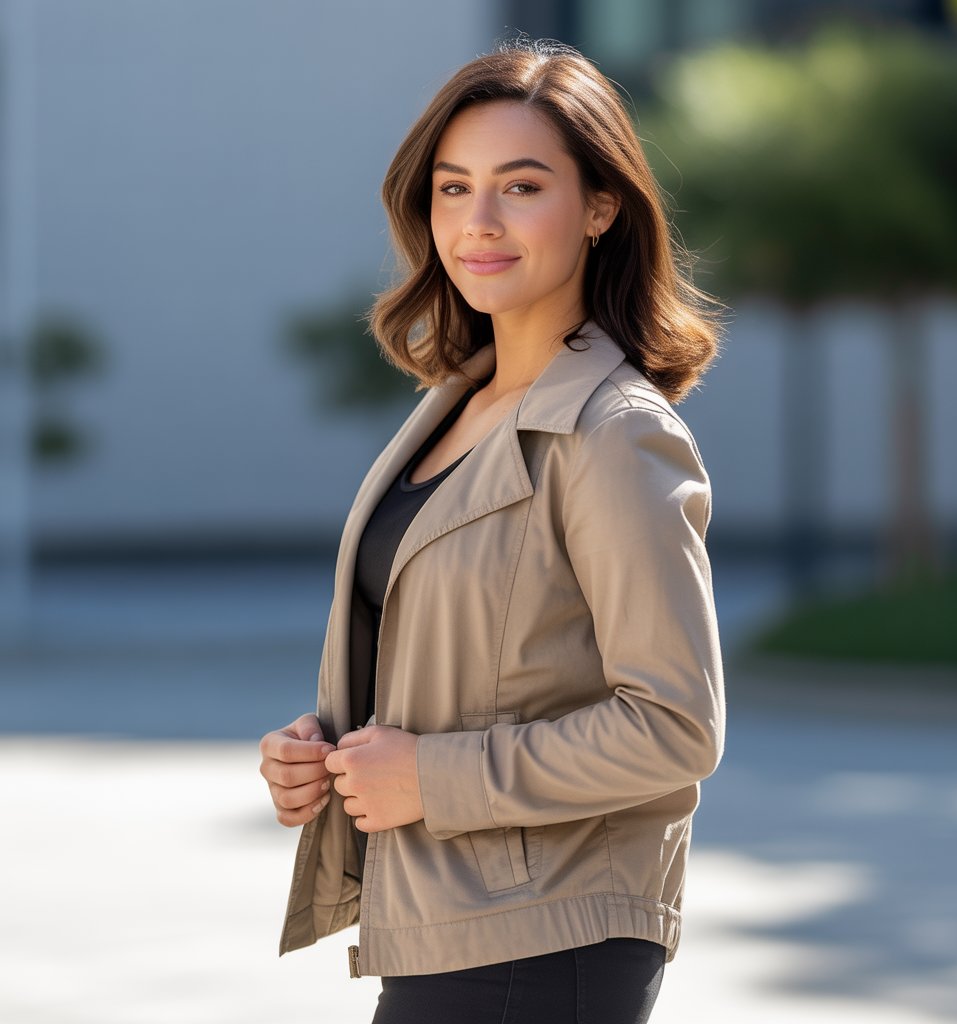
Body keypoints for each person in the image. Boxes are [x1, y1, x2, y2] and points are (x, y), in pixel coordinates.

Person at [259, 38, 725, 1024]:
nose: (477, 222)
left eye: (520, 186)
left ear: (600, 207)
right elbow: (460, 654)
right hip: (443, 913)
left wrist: (431, 775)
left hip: (548, 937)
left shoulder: (614, 433)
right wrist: (327, 749)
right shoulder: (457, 405)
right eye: (452, 186)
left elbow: (676, 725)